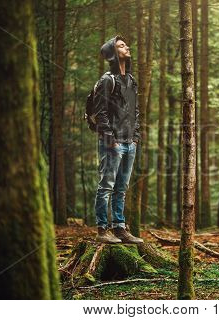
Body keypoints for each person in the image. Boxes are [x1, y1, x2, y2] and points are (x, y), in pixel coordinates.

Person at [93, 35, 143, 244]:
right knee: (106, 186)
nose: (127, 47)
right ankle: (103, 230)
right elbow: (100, 111)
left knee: (122, 188)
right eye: (121, 46)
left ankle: (120, 228)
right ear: (113, 53)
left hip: (129, 142)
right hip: (111, 142)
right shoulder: (107, 80)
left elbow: (135, 110)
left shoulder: (131, 80)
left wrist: (136, 136)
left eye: (126, 45)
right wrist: (110, 138)